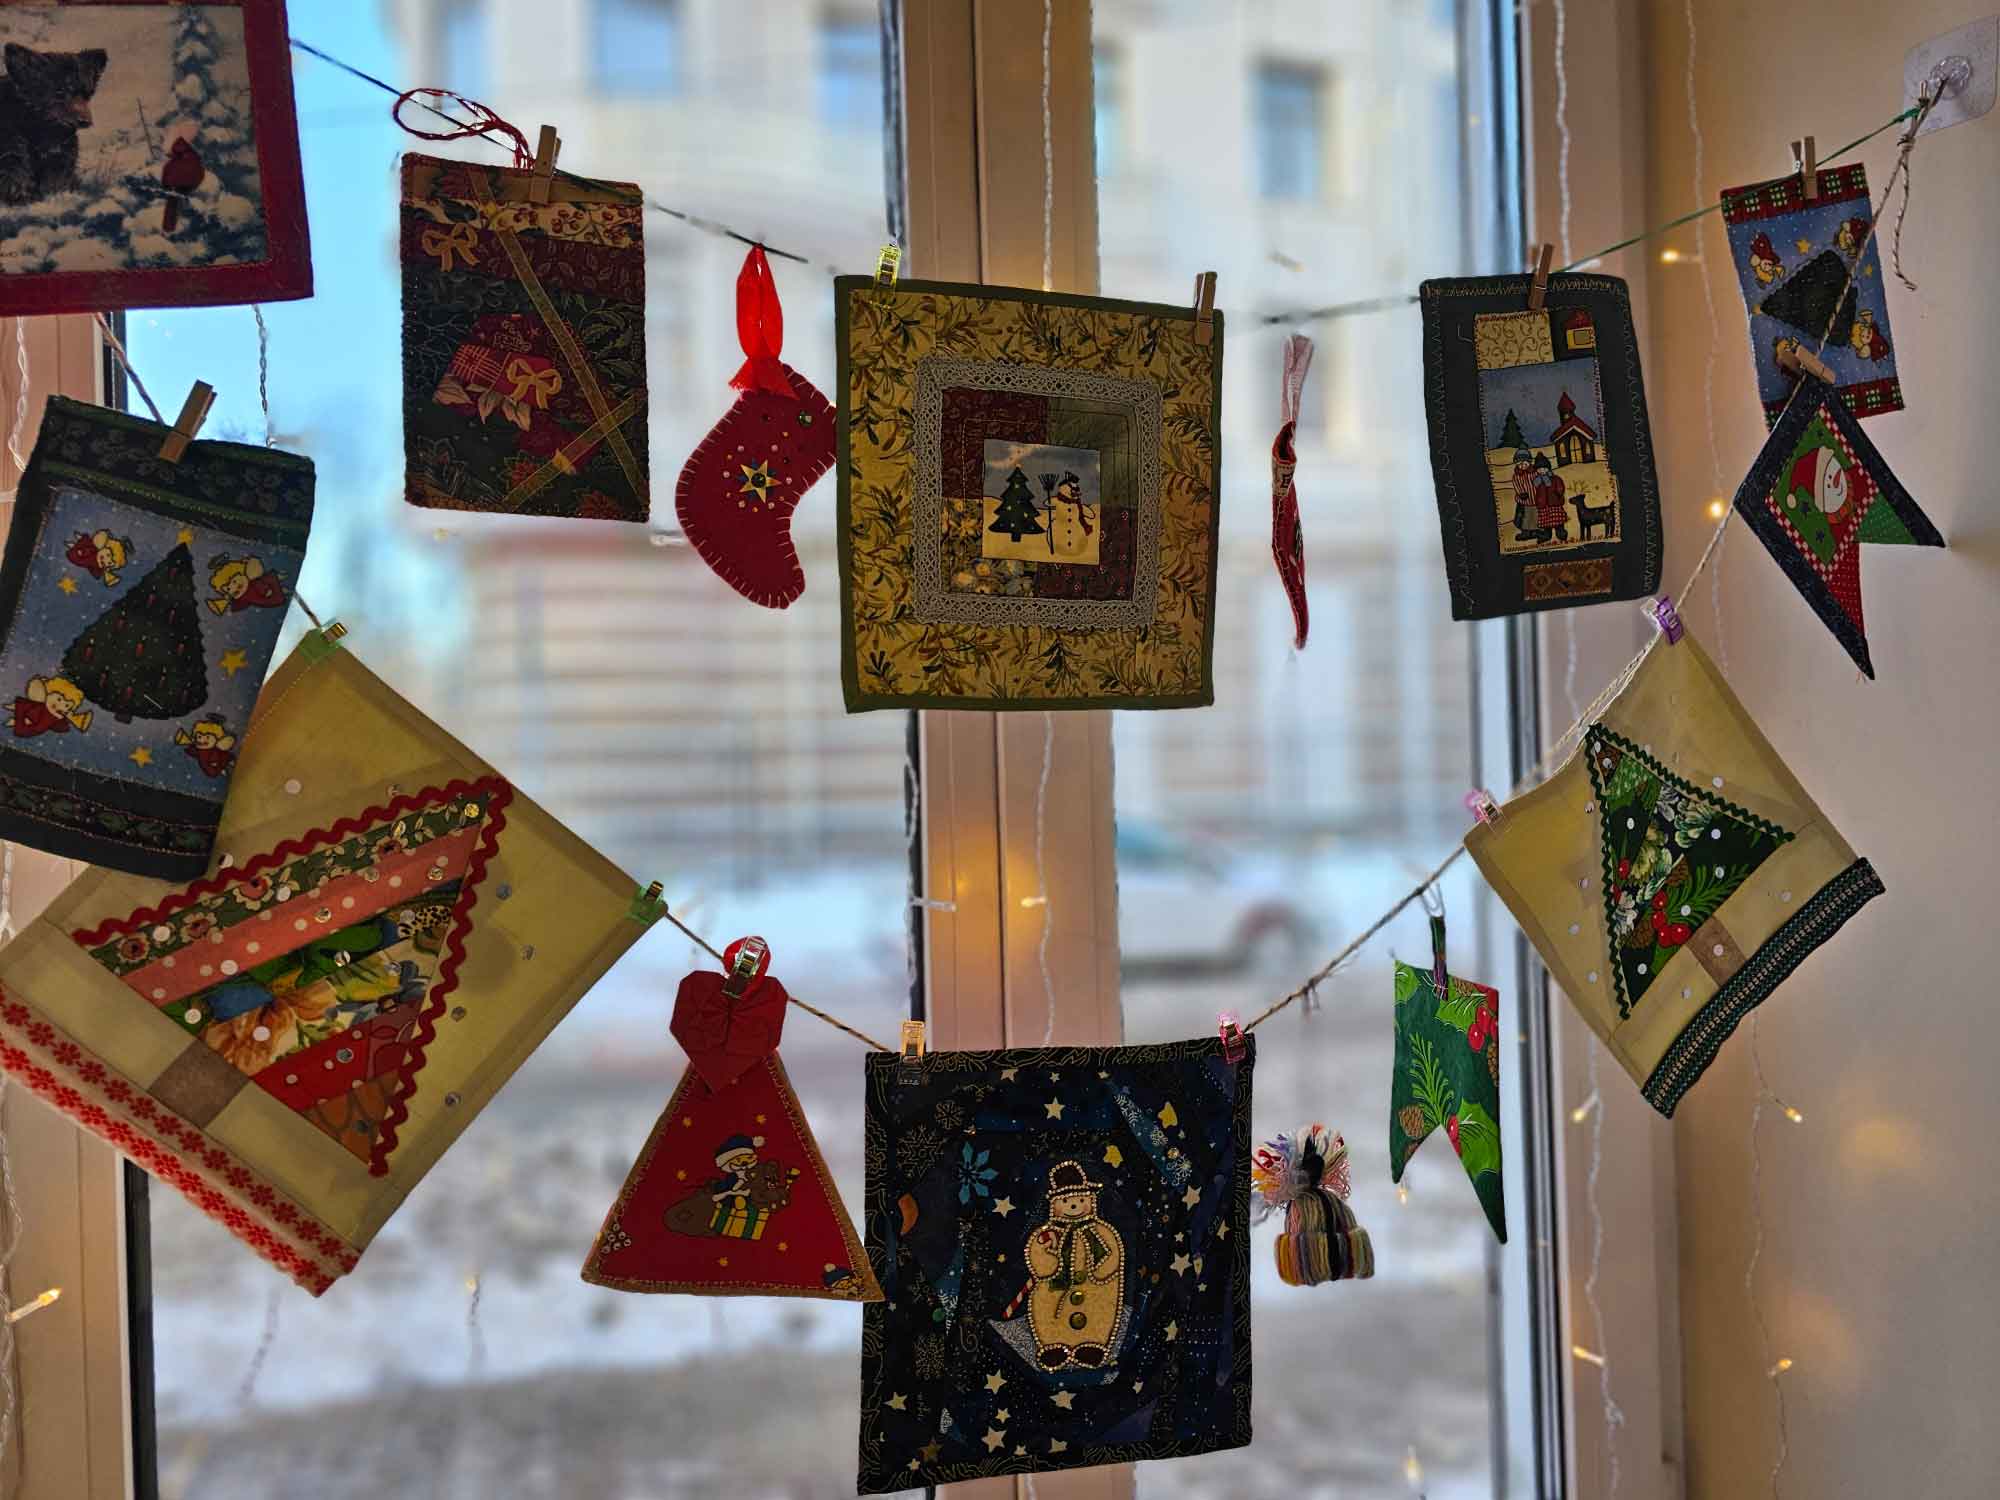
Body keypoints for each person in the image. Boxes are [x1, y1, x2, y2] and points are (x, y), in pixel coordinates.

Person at [1024, 1160, 1126, 1369]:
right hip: (1055, 1293)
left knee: (1099, 1311)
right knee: (1046, 1310)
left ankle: (1093, 1345)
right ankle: (1052, 1345)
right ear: (1055, 1204)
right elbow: (1039, 1262)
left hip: (1096, 1291)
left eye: (1080, 1199)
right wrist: (1047, 1258)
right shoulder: (1049, 1234)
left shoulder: (1101, 1232)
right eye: (1066, 1201)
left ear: (1090, 1199)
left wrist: (1102, 1270)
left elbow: (1113, 1255)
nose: (1074, 1205)